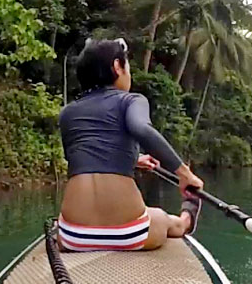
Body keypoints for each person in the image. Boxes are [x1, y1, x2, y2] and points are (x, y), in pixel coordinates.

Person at [57, 38, 203, 251]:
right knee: (165, 219)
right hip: (129, 233)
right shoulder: (131, 100)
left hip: (73, 236)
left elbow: (82, 158)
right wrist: (184, 174)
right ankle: (186, 218)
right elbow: (141, 129)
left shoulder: (67, 112)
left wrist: (134, 160)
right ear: (117, 66)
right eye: (127, 66)